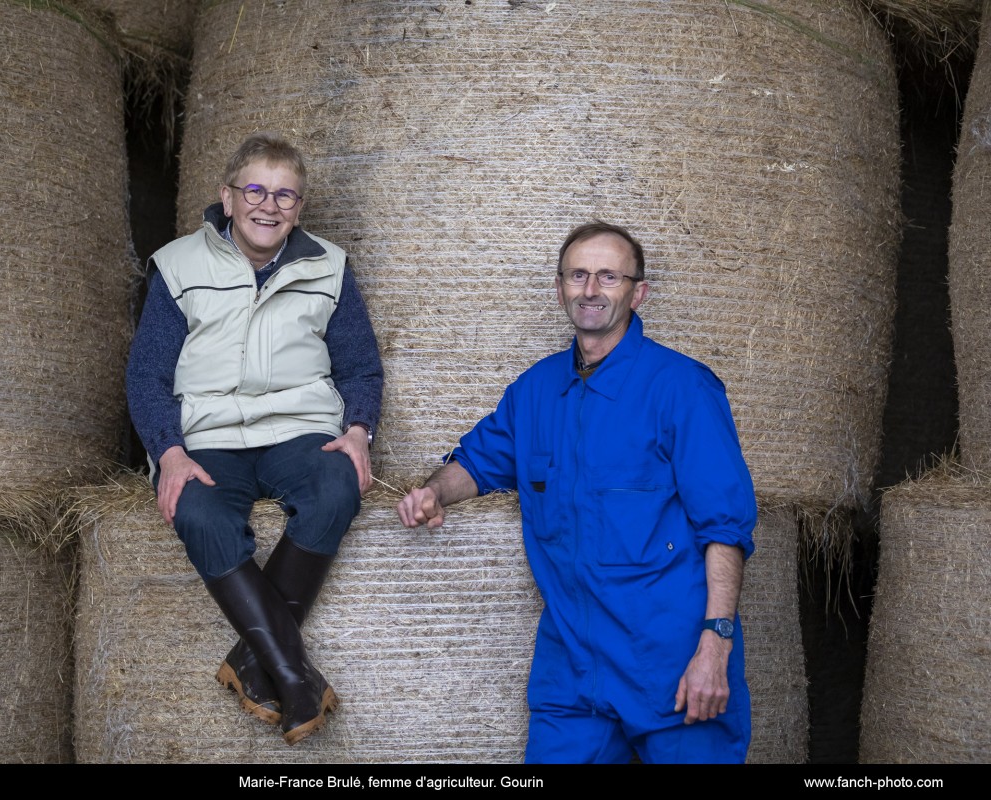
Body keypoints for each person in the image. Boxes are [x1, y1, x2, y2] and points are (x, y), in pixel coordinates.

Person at [397, 222, 756, 763]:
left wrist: (716, 643)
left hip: (671, 659)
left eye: (608, 276)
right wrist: (434, 493)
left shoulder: (682, 388)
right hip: (571, 669)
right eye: (578, 275)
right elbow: (478, 462)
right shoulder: (535, 391)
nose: (591, 289)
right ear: (560, 286)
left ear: (638, 293)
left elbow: (724, 528)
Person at [127, 133, 383, 745]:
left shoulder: (330, 268)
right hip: (209, 434)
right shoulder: (177, 266)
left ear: (300, 206)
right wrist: (168, 451)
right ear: (228, 196)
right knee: (198, 510)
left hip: (300, 430)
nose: (269, 206)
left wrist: (358, 431)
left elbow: (360, 366)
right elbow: (147, 374)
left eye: (285, 194)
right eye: (256, 190)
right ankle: (294, 677)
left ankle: (252, 660)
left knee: (335, 486)